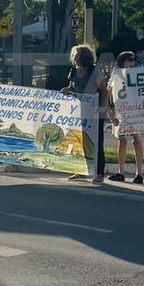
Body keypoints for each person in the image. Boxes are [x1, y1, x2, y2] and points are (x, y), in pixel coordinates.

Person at [61, 44, 109, 183]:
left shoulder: (94, 72)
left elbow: (104, 90)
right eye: (74, 57)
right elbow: (72, 87)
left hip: (94, 112)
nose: (75, 59)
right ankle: (82, 170)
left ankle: (99, 173)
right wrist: (67, 90)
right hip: (79, 111)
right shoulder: (73, 71)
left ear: (84, 57)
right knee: (80, 140)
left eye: (77, 56)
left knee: (96, 142)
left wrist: (102, 107)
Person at [107, 51, 144, 184]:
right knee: (122, 141)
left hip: (135, 110)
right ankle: (121, 172)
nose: (132, 63)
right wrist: (111, 113)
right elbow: (109, 94)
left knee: (136, 139)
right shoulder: (116, 74)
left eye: (133, 60)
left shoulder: (138, 74)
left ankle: (139, 173)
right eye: (129, 60)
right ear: (122, 61)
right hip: (121, 110)